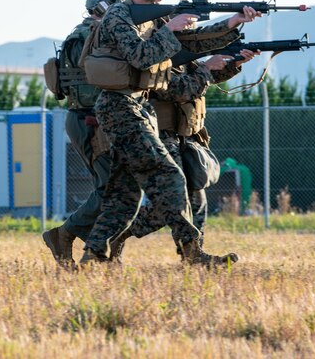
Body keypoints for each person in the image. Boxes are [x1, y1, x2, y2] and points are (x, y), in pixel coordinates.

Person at [80, 0, 259, 267]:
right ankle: (192, 252)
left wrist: (232, 23)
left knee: (124, 193)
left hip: (137, 106)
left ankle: (94, 256)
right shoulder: (118, 17)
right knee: (168, 174)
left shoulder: (150, 19)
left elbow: (189, 41)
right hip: (119, 107)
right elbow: (140, 57)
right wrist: (171, 28)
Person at [109, 49, 257, 262]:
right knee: (174, 202)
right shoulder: (158, 52)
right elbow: (176, 90)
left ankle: (193, 254)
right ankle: (116, 234)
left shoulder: (184, 53)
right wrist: (206, 68)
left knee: (195, 198)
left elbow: (204, 79)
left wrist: (233, 64)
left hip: (183, 137)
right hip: (161, 137)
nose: (191, 24)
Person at [42, 0, 122, 268]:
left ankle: (102, 252)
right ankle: (64, 235)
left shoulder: (92, 33)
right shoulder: (85, 35)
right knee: (112, 188)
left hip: (99, 118)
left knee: (115, 187)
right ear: (105, 7)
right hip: (90, 120)